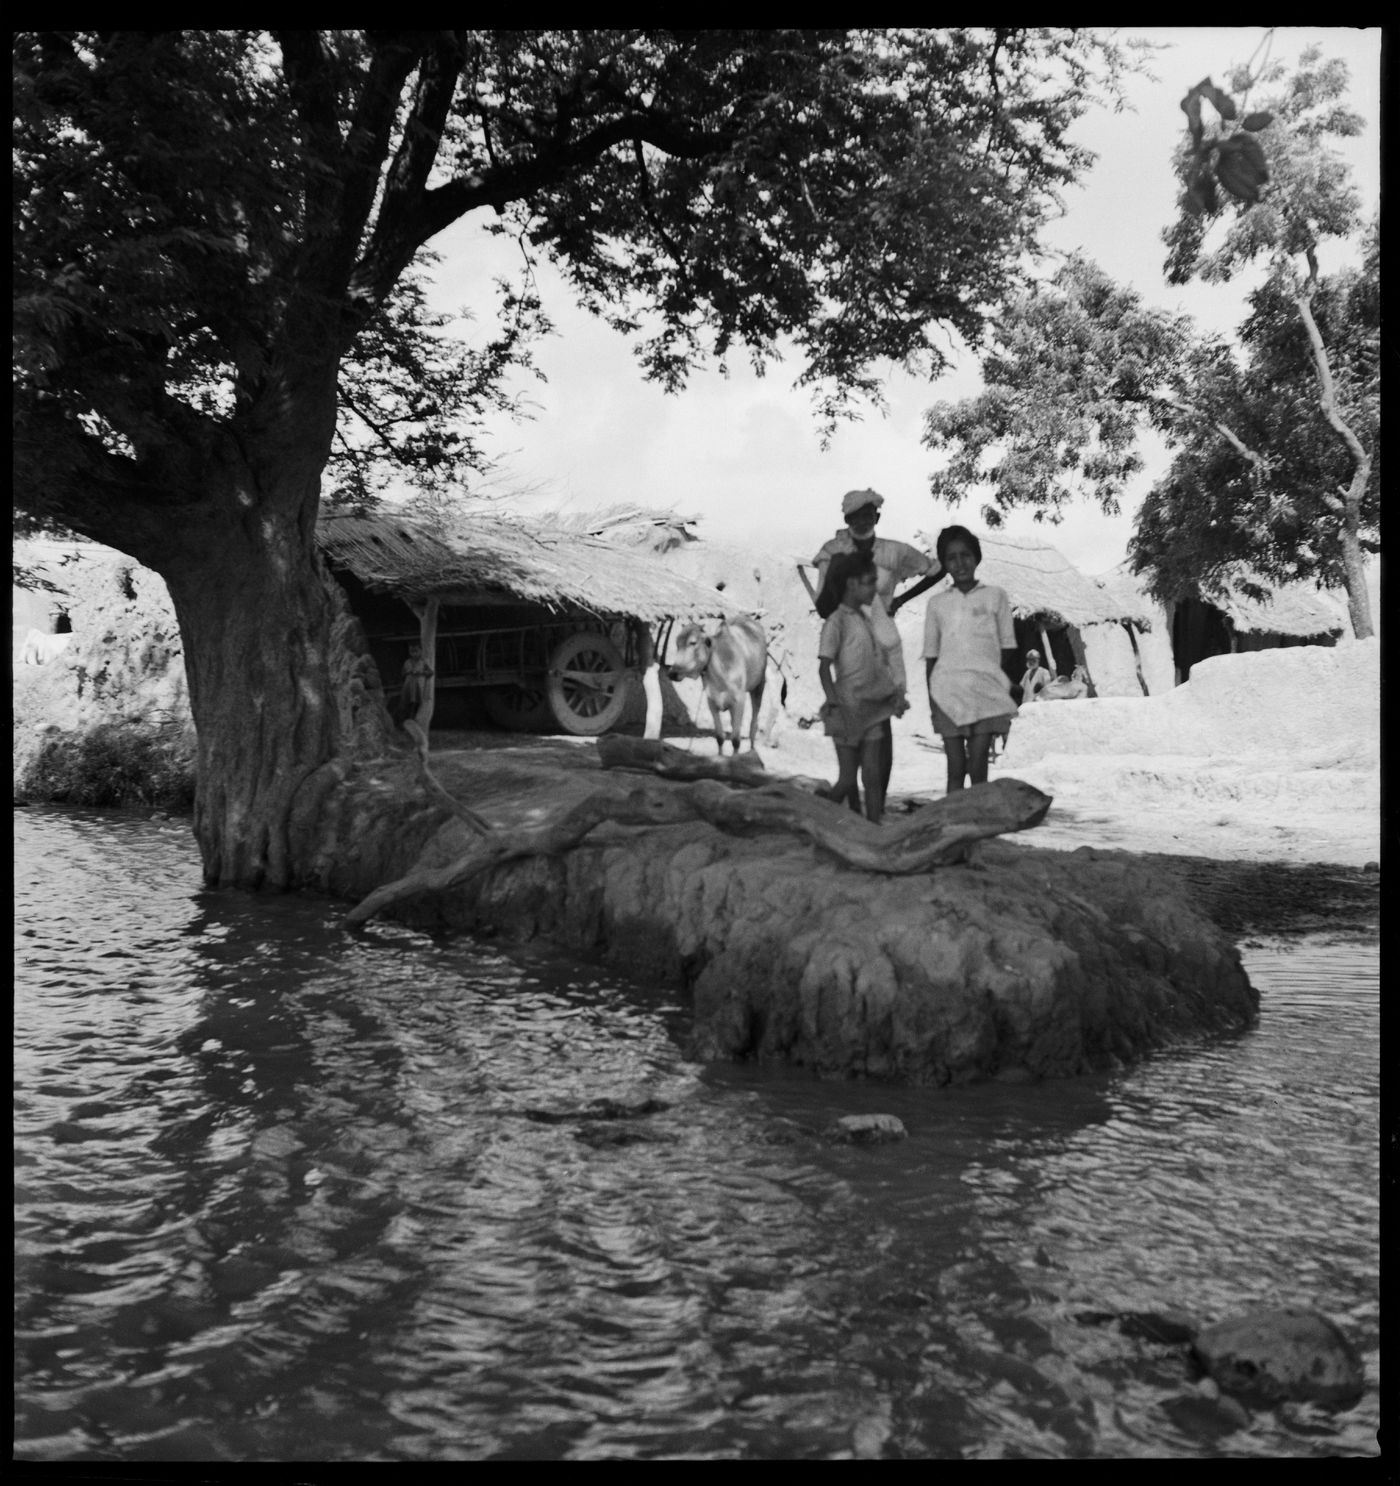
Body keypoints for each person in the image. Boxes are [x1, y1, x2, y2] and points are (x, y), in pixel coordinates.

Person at [812, 488, 944, 804]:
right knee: (851, 717)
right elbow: (821, 605)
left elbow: (937, 568)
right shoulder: (832, 551)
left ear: (877, 517)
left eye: (868, 514)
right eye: (855, 515)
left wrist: (899, 599)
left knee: (880, 721)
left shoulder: (894, 552)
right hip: (847, 640)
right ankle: (853, 803)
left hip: (883, 642)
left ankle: (877, 804)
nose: (862, 520)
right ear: (846, 518)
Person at [922, 525, 1019, 794]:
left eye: (965, 555)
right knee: (955, 769)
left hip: (983, 692)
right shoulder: (937, 604)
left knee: (978, 767)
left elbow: (1007, 647)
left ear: (977, 557)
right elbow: (931, 656)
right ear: (944, 563)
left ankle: (978, 830)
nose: (960, 563)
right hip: (946, 693)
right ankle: (955, 830)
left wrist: (989, 679)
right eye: (951, 558)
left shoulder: (995, 596)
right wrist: (932, 700)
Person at [817, 551, 903, 825]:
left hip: (872, 709)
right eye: (869, 581)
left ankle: (874, 828)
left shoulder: (867, 620)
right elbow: (824, 667)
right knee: (846, 778)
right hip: (846, 709)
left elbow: (877, 663)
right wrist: (833, 702)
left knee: (873, 775)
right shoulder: (836, 622)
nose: (874, 588)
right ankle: (821, 821)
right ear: (851, 584)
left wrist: (893, 693)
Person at [395, 641, 433, 727]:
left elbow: (430, 672)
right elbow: (402, 673)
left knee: (415, 705)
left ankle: (413, 723)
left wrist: (421, 672)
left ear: (420, 651)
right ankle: (402, 724)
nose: (414, 654)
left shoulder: (423, 662)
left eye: (416, 651)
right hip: (408, 687)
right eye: (412, 652)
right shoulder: (407, 662)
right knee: (405, 704)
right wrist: (408, 672)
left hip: (418, 687)